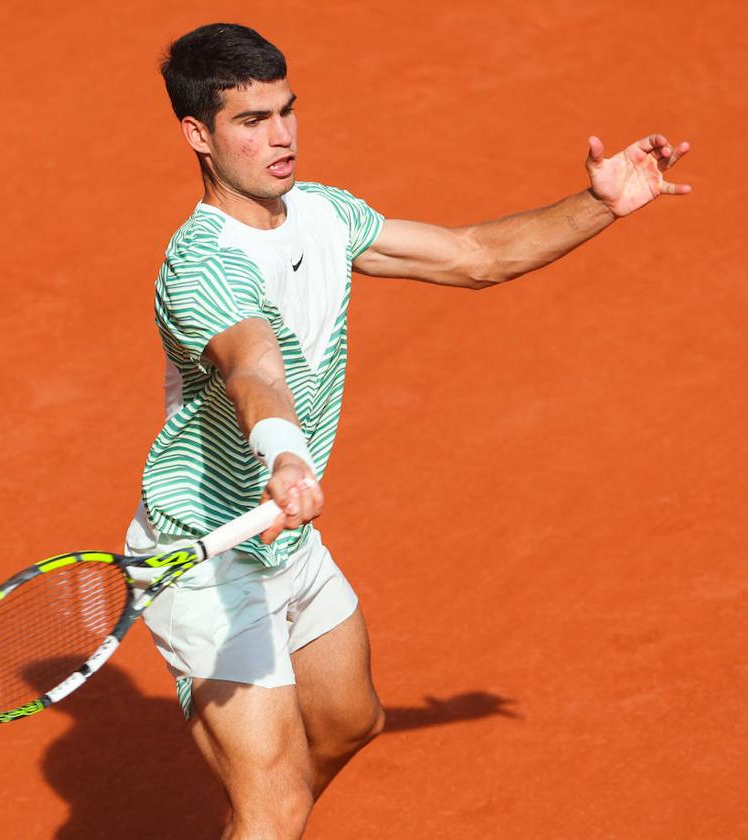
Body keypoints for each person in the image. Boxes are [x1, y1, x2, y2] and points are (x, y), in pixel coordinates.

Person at [124, 22, 691, 840]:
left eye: (286, 111)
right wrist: (283, 455)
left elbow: (471, 256)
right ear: (198, 136)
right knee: (277, 803)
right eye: (252, 121)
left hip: (286, 534)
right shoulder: (204, 264)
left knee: (351, 720)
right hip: (206, 557)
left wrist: (599, 205)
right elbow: (255, 368)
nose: (281, 136)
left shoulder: (323, 215)